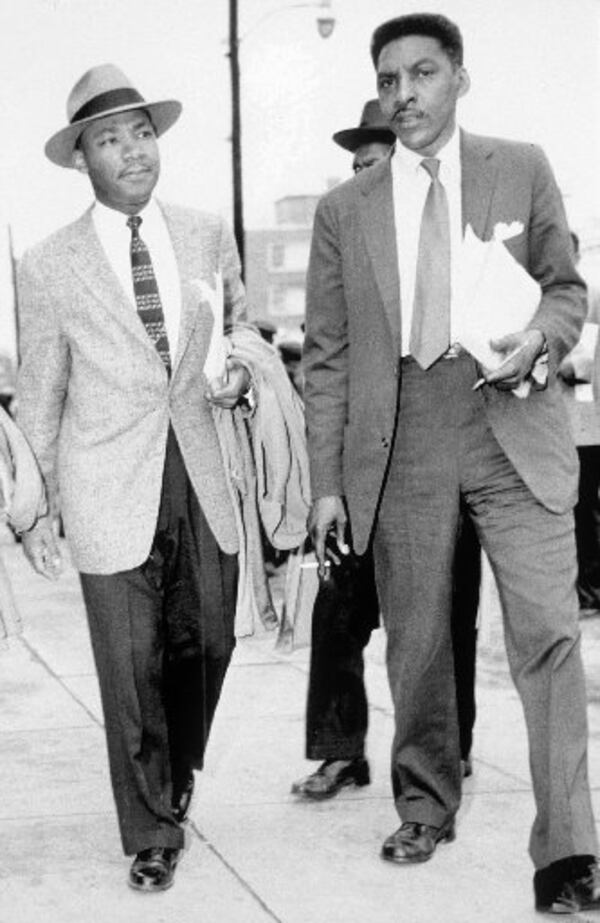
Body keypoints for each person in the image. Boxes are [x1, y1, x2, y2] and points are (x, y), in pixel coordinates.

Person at [303, 13, 599, 914]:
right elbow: (325, 355)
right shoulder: (342, 210)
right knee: (420, 642)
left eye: (422, 74)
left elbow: (566, 286)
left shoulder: (523, 165)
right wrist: (325, 485)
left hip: (513, 421)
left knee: (548, 634)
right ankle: (425, 802)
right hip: (405, 438)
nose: (405, 95)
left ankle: (569, 850)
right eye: (389, 80)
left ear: (460, 78)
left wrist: (541, 341)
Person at [16, 64, 253, 894]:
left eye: (143, 133)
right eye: (111, 139)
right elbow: (40, 393)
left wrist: (244, 373)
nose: (133, 152)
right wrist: (31, 504)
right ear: (83, 157)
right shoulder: (46, 265)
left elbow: (245, 332)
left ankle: (177, 763)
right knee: (129, 665)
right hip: (104, 480)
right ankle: (152, 827)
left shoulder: (205, 232)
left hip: (203, 470)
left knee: (212, 640)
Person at [292, 99, 480, 801]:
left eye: (379, 164)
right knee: (338, 611)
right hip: (362, 469)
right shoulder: (342, 239)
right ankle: (341, 750)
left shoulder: (447, 239)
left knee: (446, 613)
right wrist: (325, 483)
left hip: (443, 462)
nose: (365, 178)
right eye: (359, 165)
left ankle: (450, 745)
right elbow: (324, 363)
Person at [559, 232, 600, 618]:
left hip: (586, 424)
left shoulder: (587, 294)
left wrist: (559, 367)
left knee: (585, 509)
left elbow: (584, 361)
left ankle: (589, 591)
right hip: (573, 424)